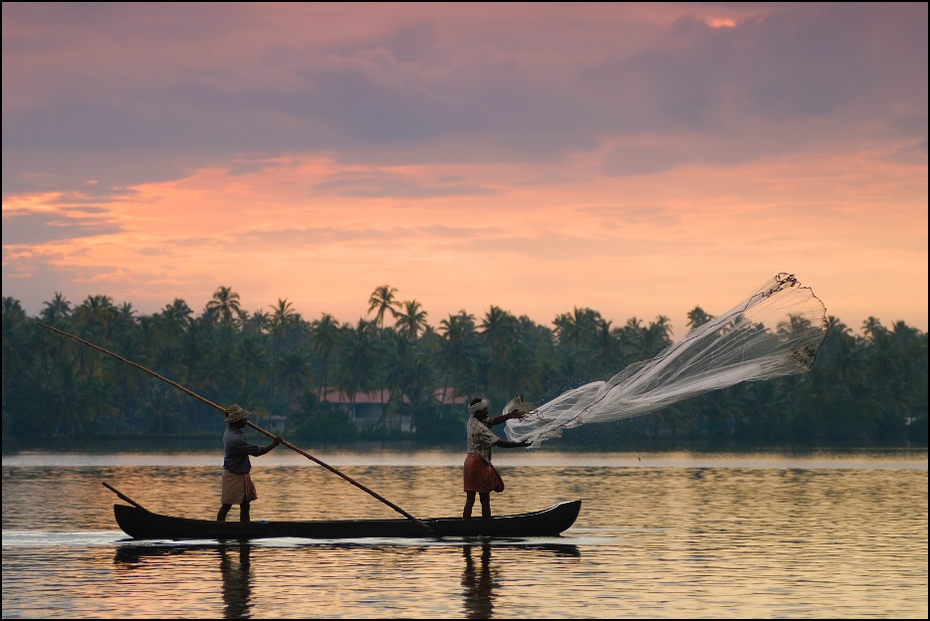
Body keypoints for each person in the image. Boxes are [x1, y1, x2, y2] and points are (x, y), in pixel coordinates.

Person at [463, 397, 532, 519]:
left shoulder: (473, 420)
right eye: (485, 410)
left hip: (469, 463)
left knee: (470, 498)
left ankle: (465, 525)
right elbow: (499, 443)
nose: (487, 411)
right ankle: (487, 526)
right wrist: (520, 444)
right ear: (478, 412)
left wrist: (510, 415)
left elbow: (493, 421)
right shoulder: (480, 429)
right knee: (484, 498)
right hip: (478, 464)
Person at [216, 404, 282, 522]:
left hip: (242, 474)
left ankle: (245, 529)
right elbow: (258, 451)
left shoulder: (231, 431)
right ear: (236, 422)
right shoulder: (235, 439)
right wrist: (274, 444)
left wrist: (229, 415)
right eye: (243, 419)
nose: (246, 421)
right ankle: (219, 528)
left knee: (245, 504)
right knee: (227, 505)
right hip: (233, 475)